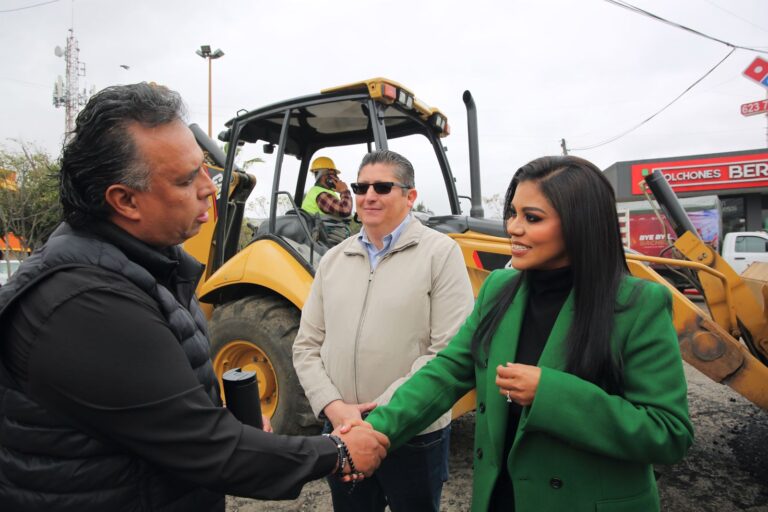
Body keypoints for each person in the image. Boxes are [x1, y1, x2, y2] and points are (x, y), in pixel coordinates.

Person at [0, 82, 388, 512]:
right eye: (187, 179)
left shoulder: (149, 267)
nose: (210, 187)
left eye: (205, 168)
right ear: (125, 200)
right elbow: (206, 447)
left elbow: (161, 408)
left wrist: (221, 413)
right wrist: (336, 454)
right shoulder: (86, 304)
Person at [364, 155, 694, 512]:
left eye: (532, 218)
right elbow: (447, 371)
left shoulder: (637, 305)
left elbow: (669, 433)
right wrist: (376, 428)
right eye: (513, 213)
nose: (513, 228)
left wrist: (549, 394)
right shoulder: (500, 288)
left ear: (579, 224)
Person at [293, 149, 474, 512]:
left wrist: (377, 419)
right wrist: (336, 409)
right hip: (342, 431)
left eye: (382, 187)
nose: (368, 195)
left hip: (414, 434)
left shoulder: (440, 254)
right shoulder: (333, 260)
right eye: (361, 187)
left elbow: (448, 352)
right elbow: (306, 346)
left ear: (410, 196)